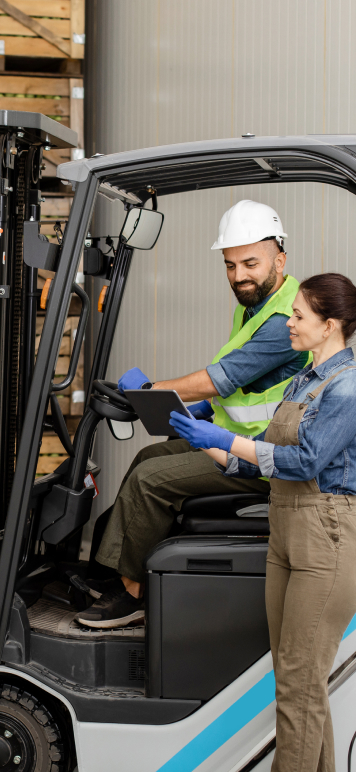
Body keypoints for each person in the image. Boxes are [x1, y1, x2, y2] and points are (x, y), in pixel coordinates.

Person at [76, 199, 310, 629]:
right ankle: (112, 571)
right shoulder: (256, 304)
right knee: (147, 457)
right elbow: (246, 386)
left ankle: (133, 593)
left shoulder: (285, 319)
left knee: (151, 480)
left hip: (259, 456)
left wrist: (149, 390)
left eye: (250, 263)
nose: (238, 275)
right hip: (234, 435)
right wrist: (201, 408)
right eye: (230, 265)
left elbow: (220, 378)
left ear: (279, 259)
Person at [170, 272, 356, 772]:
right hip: (286, 531)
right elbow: (260, 462)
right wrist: (202, 438)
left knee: (299, 683)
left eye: (298, 315)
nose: (289, 323)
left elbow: (305, 461)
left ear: (329, 326)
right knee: (298, 680)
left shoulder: (348, 387)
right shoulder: (302, 381)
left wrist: (225, 438)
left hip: (327, 537)